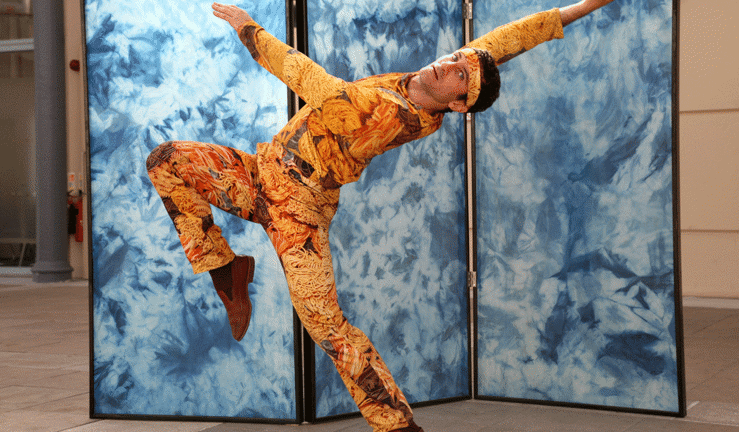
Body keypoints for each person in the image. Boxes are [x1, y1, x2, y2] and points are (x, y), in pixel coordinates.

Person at [146, 1, 615, 430]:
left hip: (300, 213)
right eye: (457, 57)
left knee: (328, 328)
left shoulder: (381, 113)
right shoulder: (443, 77)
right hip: (259, 173)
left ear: (457, 104)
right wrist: (588, 5)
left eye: (458, 74)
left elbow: (304, 77)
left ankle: (397, 425)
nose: (449, 62)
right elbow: (512, 38)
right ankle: (226, 269)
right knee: (165, 160)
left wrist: (249, 29)